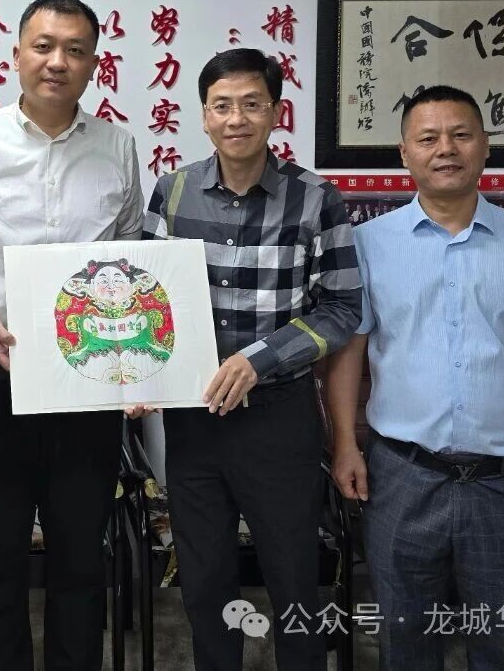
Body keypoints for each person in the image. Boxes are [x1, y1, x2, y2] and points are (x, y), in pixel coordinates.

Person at [327, 85, 504, 671]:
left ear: (485, 146)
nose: (445, 149)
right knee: (405, 643)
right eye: (428, 138)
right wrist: (345, 443)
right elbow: (348, 353)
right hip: (401, 475)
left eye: (460, 135)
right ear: (405, 154)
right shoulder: (369, 246)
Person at [0, 0, 143, 671]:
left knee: (81, 551)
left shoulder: (118, 146)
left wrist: (137, 367)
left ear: (94, 64)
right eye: (43, 46)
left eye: (75, 50)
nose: (57, 61)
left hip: (88, 372)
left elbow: (131, 260)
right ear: (16, 55)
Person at [137, 48, 362, 670]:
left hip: (279, 417)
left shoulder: (316, 198)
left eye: (251, 104)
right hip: (194, 419)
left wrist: (259, 360)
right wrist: (137, 373)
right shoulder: (173, 192)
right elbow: (147, 298)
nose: (236, 119)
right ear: (204, 116)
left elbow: (342, 308)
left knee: (293, 575)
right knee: (205, 577)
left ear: (276, 111)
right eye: (222, 106)